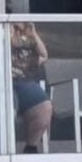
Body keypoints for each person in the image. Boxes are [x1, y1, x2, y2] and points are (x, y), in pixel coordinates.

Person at [10, 22, 52, 154]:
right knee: (8, 108)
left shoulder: (24, 45)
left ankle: (31, 148)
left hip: (23, 83)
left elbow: (43, 56)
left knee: (44, 107)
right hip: (0, 82)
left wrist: (32, 33)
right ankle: (5, 153)